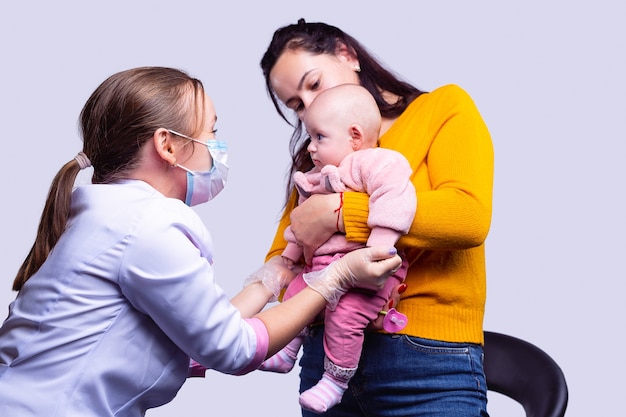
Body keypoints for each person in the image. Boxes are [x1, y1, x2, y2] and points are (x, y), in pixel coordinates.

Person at [0, 66, 402, 417]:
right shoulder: (148, 225)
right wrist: (336, 277)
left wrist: (269, 280)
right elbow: (233, 348)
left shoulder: (110, 216)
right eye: (212, 129)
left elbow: (204, 331)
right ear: (167, 145)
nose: (217, 145)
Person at [260, 19, 494, 416]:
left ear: (347, 55)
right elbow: (285, 253)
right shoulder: (317, 156)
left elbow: (467, 217)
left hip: (428, 362)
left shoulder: (442, 109)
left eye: (313, 83)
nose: (308, 105)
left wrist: (340, 214)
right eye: (296, 105)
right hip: (323, 360)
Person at [257, 83, 416, 413]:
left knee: (345, 317)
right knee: (298, 297)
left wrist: (379, 248)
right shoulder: (315, 176)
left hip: (370, 269)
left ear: (355, 136)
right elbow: (301, 225)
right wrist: (289, 259)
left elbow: (396, 198)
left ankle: (335, 381)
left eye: (319, 137)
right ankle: (288, 350)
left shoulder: (375, 163)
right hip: (322, 268)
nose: (311, 148)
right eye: (310, 137)